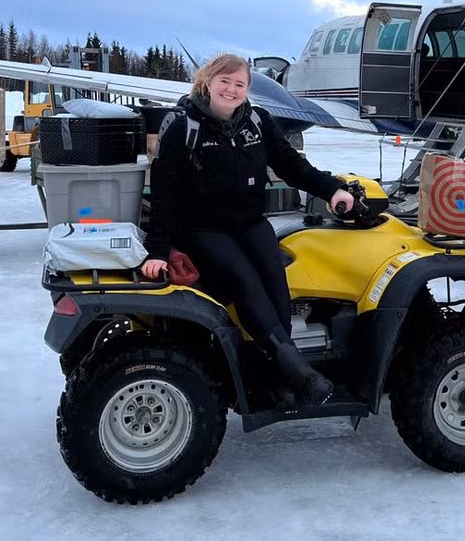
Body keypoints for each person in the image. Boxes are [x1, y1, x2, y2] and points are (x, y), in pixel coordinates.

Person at [142, 54, 354, 405]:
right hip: (204, 229)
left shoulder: (257, 122)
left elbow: (292, 166)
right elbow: (165, 193)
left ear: (247, 89)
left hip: (251, 223)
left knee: (276, 282)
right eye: (225, 81)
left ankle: (278, 375)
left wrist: (331, 189)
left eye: (239, 84)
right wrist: (158, 250)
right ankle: (299, 373)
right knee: (245, 281)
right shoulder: (184, 127)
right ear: (207, 82)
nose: (231, 89)